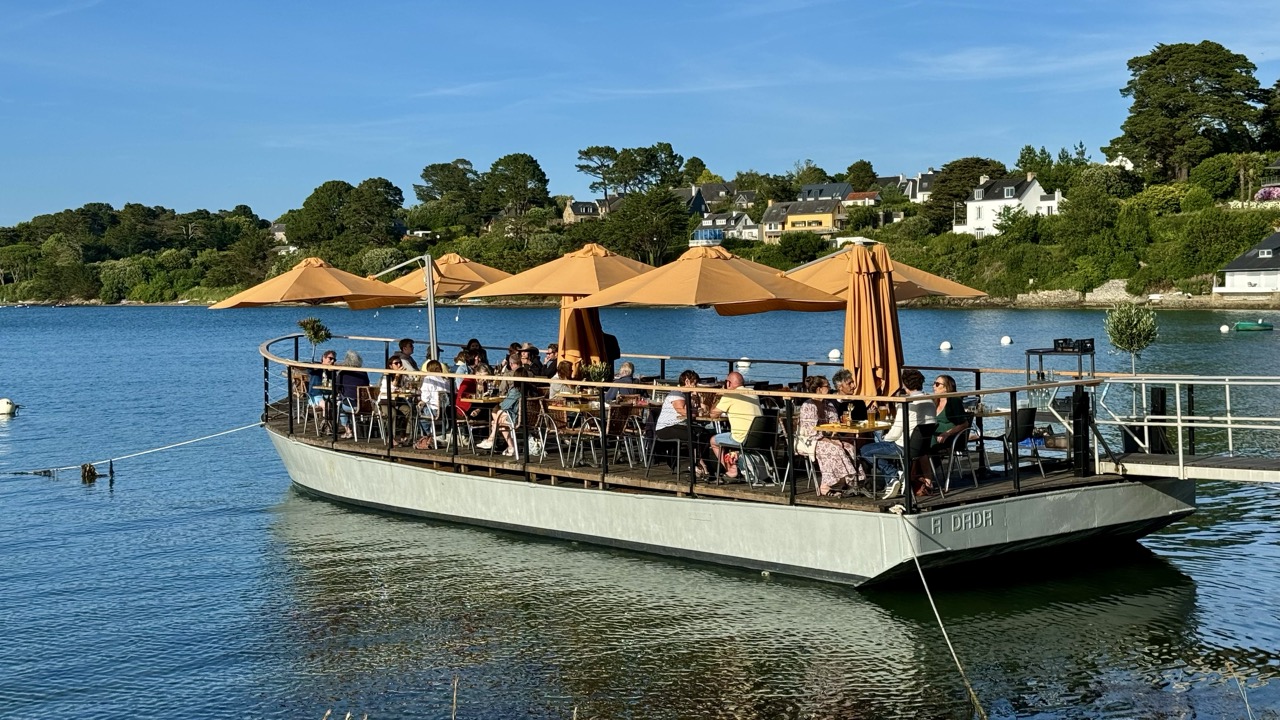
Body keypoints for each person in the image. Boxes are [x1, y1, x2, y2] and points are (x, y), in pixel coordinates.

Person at [860, 368, 937, 498]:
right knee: (878, 447)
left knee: (865, 450)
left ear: (904, 385)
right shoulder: (930, 401)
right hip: (921, 448)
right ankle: (894, 479)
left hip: (903, 447)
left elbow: (896, 433)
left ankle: (893, 476)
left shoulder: (906, 404)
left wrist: (884, 437)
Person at [795, 375, 863, 497]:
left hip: (827, 438)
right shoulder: (808, 406)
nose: (830, 388)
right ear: (819, 389)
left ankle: (849, 483)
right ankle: (828, 486)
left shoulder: (828, 405)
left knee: (848, 447)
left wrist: (836, 438)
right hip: (810, 440)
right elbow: (811, 431)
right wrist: (832, 441)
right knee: (834, 449)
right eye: (827, 386)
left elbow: (835, 425)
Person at [653, 369, 711, 477]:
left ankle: (698, 463)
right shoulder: (676, 394)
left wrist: (697, 398)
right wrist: (696, 408)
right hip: (666, 428)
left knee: (705, 433)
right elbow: (684, 411)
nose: (696, 385)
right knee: (693, 435)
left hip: (680, 425)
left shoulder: (688, 395)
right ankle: (697, 465)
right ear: (687, 381)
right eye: (695, 383)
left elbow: (704, 409)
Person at [708, 371, 762, 479]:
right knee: (727, 437)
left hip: (741, 438)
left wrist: (720, 396)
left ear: (728, 383)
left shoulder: (730, 394)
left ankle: (731, 471)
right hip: (758, 436)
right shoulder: (753, 393)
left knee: (713, 441)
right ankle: (735, 464)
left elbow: (713, 414)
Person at [476, 367, 530, 456]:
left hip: (516, 418)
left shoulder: (516, 391)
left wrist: (501, 403)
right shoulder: (530, 389)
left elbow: (504, 406)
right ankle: (509, 447)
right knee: (497, 417)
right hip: (529, 417)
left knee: (497, 417)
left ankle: (492, 440)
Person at [415, 360, 450, 450]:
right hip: (445, 410)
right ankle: (432, 435)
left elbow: (425, 397)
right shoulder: (445, 380)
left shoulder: (429, 379)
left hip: (434, 410)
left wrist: (422, 401)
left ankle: (427, 435)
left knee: (419, 415)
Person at [931, 374, 971, 454]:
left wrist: (947, 433)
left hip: (950, 437)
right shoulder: (934, 401)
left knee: (922, 444)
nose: (933, 386)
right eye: (934, 383)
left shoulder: (953, 401)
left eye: (937, 384)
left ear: (946, 387)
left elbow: (965, 424)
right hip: (935, 434)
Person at [336, 350, 370, 439]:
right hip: (364, 405)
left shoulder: (343, 373)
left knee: (340, 407)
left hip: (350, 405)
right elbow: (367, 385)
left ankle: (348, 430)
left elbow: (337, 387)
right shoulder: (363, 372)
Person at [307, 350, 338, 419]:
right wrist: (320, 366)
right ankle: (326, 422)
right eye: (330, 358)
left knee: (340, 403)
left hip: (329, 395)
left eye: (334, 360)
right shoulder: (317, 369)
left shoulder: (332, 371)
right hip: (315, 396)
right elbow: (309, 370)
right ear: (324, 357)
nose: (332, 361)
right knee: (326, 404)